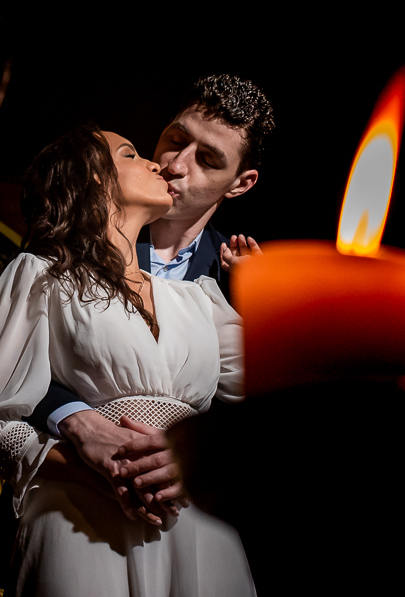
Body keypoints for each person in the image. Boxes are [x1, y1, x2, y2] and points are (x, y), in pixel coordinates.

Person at [0, 126, 272, 597]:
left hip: (195, 526)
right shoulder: (41, 276)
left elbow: (275, 395)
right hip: (80, 517)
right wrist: (83, 461)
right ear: (92, 182)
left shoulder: (198, 297)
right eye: (130, 154)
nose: (157, 161)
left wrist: (264, 300)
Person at [31, 74, 275, 523]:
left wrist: (197, 461)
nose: (175, 164)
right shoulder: (73, 235)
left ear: (240, 184)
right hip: (68, 507)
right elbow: (6, 361)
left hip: (190, 519)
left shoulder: (241, 284)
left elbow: (269, 427)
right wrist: (75, 419)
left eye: (207, 159)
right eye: (175, 140)